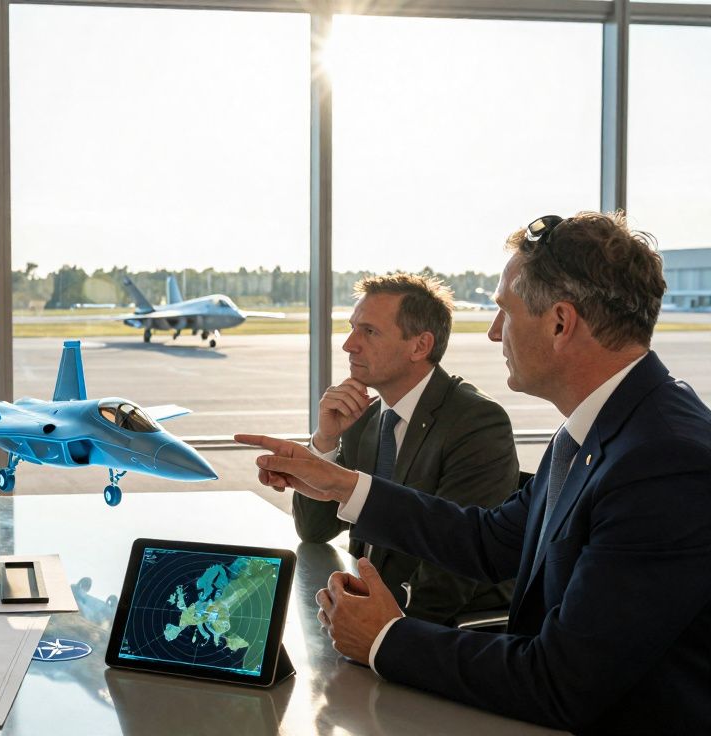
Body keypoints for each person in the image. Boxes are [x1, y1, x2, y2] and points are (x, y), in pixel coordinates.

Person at [237, 212, 711, 733]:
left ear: (560, 322)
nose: (491, 332)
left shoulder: (665, 462)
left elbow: (561, 682)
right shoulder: (596, 429)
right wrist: (341, 484)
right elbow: (490, 541)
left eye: (503, 312)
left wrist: (384, 638)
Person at [293, 273, 518, 625]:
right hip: (365, 612)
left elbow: (453, 572)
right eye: (353, 328)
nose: (349, 344)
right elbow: (314, 530)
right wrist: (325, 440)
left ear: (419, 346)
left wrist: (377, 633)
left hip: (439, 632)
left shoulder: (476, 422)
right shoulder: (365, 419)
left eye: (369, 331)